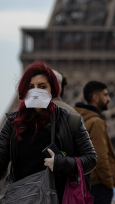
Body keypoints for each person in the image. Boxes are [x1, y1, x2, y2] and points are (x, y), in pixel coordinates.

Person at [0, 60, 97, 203]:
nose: (36, 91)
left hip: (57, 198)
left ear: (52, 89)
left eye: (42, 86)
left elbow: (90, 159)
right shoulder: (12, 123)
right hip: (22, 198)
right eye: (30, 87)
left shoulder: (71, 121)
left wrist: (61, 163)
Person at [74, 81, 115, 204]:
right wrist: (109, 182)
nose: (109, 99)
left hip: (84, 183)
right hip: (98, 185)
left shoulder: (80, 118)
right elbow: (99, 157)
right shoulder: (96, 122)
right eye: (105, 95)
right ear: (95, 98)